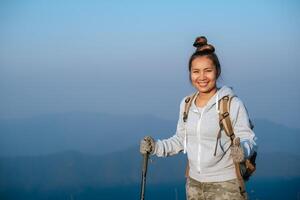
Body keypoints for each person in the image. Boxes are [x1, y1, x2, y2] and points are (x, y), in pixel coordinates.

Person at [140, 36, 257, 200]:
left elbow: (248, 138)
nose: (202, 77)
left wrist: (242, 151)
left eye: (208, 71)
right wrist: (155, 147)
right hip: (193, 184)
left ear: (217, 71)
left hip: (226, 185)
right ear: (190, 74)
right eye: (196, 71)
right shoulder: (187, 104)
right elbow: (181, 140)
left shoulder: (231, 103)